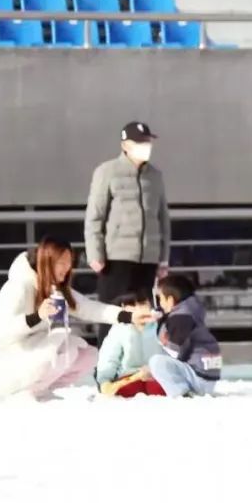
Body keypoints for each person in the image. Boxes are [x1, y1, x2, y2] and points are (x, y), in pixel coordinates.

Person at [0, 237, 155, 399]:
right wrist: (36, 317)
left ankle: (39, 390)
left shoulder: (54, 289)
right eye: (61, 262)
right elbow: (0, 331)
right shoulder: (18, 287)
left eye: (69, 262)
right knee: (60, 348)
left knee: (87, 355)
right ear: (47, 261)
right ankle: (22, 392)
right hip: (0, 361)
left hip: (29, 354)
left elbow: (90, 308)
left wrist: (130, 316)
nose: (67, 268)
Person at [85, 121, 170, 342]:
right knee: (113, 314)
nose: (146, 146)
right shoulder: (107, 171)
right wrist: (95, 254)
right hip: (116, 258)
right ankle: (105, 369)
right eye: (140, 142)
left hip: (148, 258)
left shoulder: (155, 176)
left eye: (148, 142)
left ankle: (137, 367)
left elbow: (163, 218)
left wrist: (163, 258)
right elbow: (95, 216)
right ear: (125, 145)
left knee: (144, 315)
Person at [148, 274, 222, 397]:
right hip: (208, 377)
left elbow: (174, 353)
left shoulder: (180, 318)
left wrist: (150, 369)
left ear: (170, 300)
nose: (159, 303)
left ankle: (182, 394)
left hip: (200, 379)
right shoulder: (191, 311)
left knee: (156, 362)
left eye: (160, 298)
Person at [95, 288, 165, 397]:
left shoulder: (160, 326)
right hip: (130, 376)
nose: (137, 309)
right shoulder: (119, 329)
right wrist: (105, 380)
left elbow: (170, 353)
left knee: (158, 390)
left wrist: (155, 370)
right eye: (132, 305)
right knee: (128, 389)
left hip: (158, 374)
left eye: (142, 304)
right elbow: (109, 357)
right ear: (123, 307)